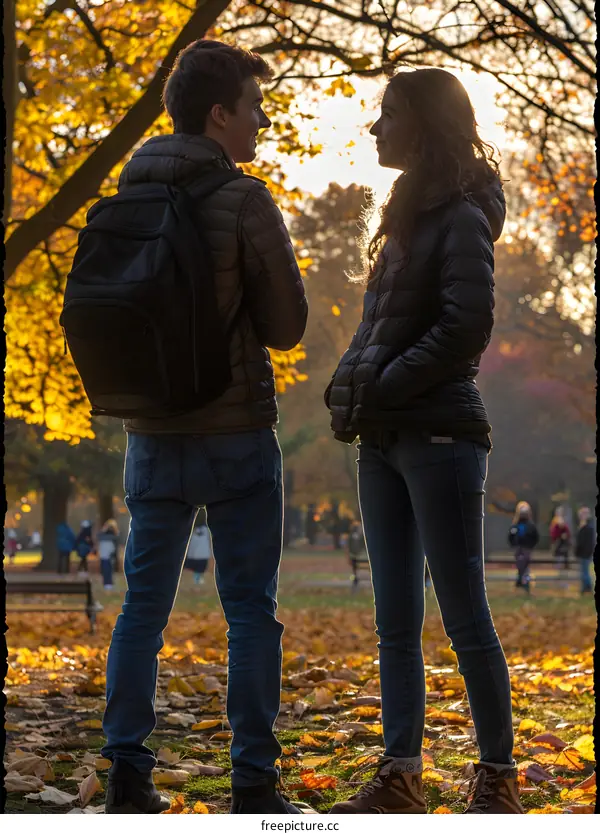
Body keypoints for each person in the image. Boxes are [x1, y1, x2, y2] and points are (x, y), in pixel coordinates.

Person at [100, 40, 307, 815]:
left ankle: (128, 772)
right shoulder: (244, 200)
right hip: (236, 438)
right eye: (253, 107)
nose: (260, 120)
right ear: (219, 113)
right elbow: (287, 326)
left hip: (151, 437)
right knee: (249, 608)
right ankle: (253, 780)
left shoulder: (128, 197)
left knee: (141, 609)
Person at [325, 68, 522, 814]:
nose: (375, 127)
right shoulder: (404, 214)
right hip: (382, 436)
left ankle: (498, 779)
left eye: (388, 114)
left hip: (439, 433)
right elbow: (381, 329)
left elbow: (465, 327)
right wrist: (350, 383)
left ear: (426, 125)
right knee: (394, 619)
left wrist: (386, 382)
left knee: (464, 613)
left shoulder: (462, 214)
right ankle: (400, 775)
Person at [508, 501, 539, 593]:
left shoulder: (531, 525)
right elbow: (510, 536)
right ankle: (521, 582)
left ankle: (522, 583)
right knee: (520, 565)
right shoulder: (515, 525)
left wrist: (530, 545)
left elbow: (535, 537)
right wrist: (514, 544)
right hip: (518, 548)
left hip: (527, 548)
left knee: (524, 566)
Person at [184, 512, 213, 585]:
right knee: (198, 571)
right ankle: (197, 582)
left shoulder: (189, 527)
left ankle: (196, 582)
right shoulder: (206, 529)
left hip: (193, 554)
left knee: (195, 571)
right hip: (201, 555)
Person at [575, 506, 595, 595]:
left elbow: (586, 542)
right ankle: (586, 587)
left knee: (585, 571)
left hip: (585, 553)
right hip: (583, 552)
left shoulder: (588, 527)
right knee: (583, 571)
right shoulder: (584, 526)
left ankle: (586, 587)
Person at [98, 519, 120, 591]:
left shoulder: (110, 535)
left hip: (107, 554)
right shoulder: (112, 535)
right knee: (108, 569)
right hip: (107, 553)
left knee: (107, 569)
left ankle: (108, 583)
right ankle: (108, 583)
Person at [550, 507, 571, 574]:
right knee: (558, 557)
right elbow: (553, 533)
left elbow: (568, 533)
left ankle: (563, 569)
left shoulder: (565, 523)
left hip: (563, 544)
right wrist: (559, 536)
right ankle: (558, 570)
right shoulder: (555, 522)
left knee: (564, 556)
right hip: (557, 543)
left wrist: (565, 536)